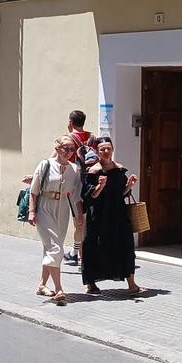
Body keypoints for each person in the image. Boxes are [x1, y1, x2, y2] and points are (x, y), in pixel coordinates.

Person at [80, 136, 142, 296]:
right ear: (97, 151)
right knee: (94, 246)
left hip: (118, 214)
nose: (106, 151)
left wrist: (129, 186)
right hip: (98, 216)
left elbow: (122, 194)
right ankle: (91, 283)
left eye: (108, 148)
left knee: (126, 245)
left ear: (113, 149)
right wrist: (100, 186)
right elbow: (89, 196)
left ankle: (131, 283)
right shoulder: (93, 171)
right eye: (102, 149)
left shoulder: (120, 169)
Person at [28, 135, 85, 305]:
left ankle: (42, 285)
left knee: (51, 248)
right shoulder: (45, 164)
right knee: (56, 248)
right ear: (57, 148)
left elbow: (76, 196)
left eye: (71, 149)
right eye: (65, 148)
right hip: (44, 207)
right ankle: (59, 288)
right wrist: (32, 211)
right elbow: (34, 190)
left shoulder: (75, 169)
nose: (69, 152)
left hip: (63, 210)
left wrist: (79, 214)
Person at [64, 110, 97, 266]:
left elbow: (62, 162)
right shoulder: (93, 138)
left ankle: (81, 258)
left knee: (79, 221)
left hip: (76, 184)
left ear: (70, 122)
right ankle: (74, 253)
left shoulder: (69, 139)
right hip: (93, 182)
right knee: (87, 220)